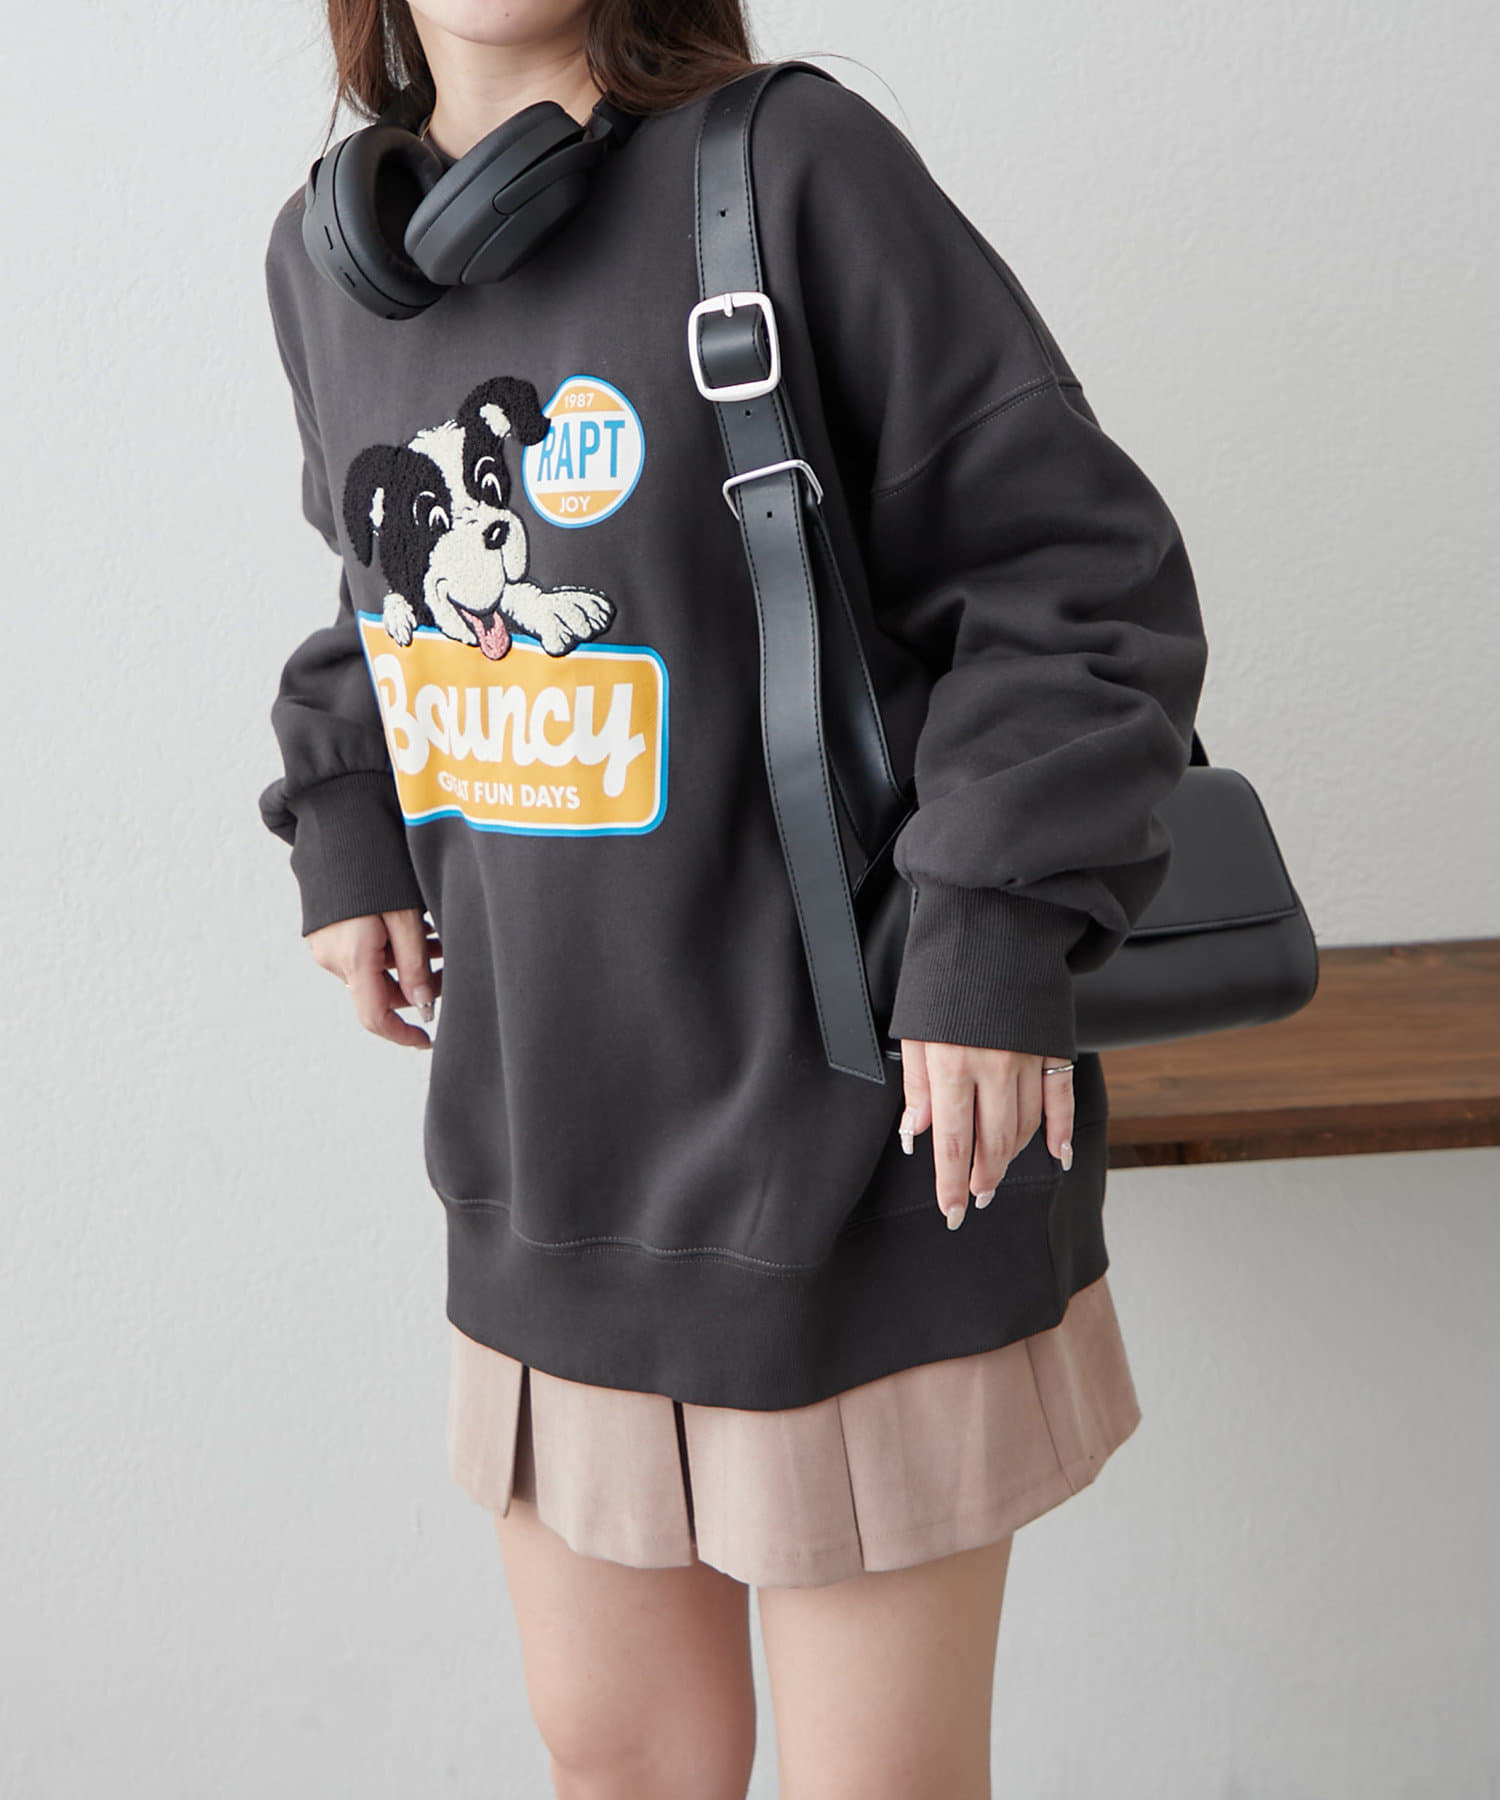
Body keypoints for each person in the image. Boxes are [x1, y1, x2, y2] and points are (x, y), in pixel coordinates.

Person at [257, 2, 1208, 1793]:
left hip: (859, 1148)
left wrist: (990, 936)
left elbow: (1075, 580)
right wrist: (347, 819)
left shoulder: (790, 173)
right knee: (620, 1764)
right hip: (551, 1163)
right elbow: (371, 599)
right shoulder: (330, 268)